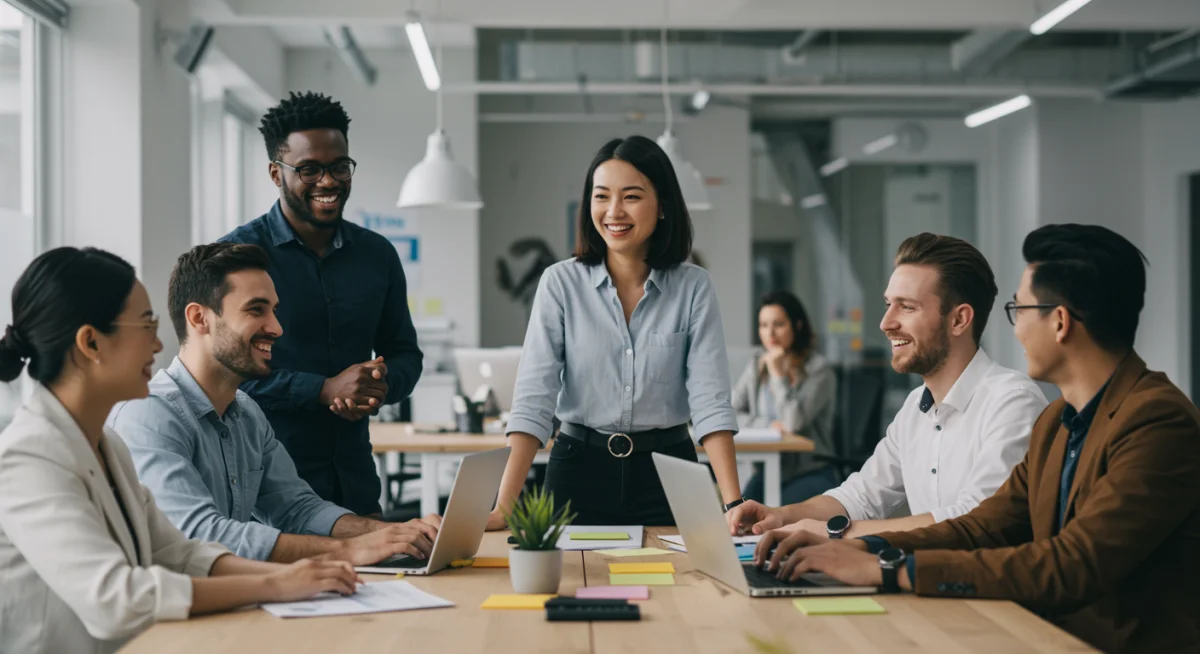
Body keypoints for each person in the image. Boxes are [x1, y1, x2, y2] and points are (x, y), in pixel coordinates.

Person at [755, 224, 1200, 654]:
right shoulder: (1057, 422)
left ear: (1060, 322)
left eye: (1019, 311)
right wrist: (861, 547)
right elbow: (983, 525)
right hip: (1042, 635)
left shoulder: (1157, 421)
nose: (1015, 328)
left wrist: (888, 568)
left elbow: (1072, 564)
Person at [0, 247, 360, 654]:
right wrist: (273, 584)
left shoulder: (107, 444)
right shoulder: (28, 457)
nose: (157, 344)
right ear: (91, 343)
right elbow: (117, 600)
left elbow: (178, 552)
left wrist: (302, 574)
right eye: (146, 325)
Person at [108, 243, 440, 564]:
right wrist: (348, 551)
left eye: (274, 311)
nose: (277, 328)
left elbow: (299, 509)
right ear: (199, 318)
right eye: (256, 310)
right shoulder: (149, 414)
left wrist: (393, 533)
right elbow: (199, 536)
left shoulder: (247, 414)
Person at [486, 135, 743, 529]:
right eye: (601, 196)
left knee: (684, 588)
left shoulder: (693, 287)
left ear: (663, 207)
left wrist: (732, 504)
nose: (613, 211)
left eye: (632, 196)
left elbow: (711, 400)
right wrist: (505, 506)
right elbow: (534, 397)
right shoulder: (560, 283)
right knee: (570, 586)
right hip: (577, 469)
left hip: (670, 473)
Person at [728, 233, 1046, 539]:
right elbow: (859, 497)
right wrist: (783, 516)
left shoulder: (1012, 402)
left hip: (980, 590)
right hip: (925, 582)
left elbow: (973, 520)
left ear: (959, 320)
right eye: (888, 304)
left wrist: (831, 534)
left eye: (906, 307)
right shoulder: (915, 408)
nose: (885, 323)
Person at [219, 91, 422, 515]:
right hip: (266, 495)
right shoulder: (237, 255)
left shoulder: (377, 255)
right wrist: (323, 389)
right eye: (309, 169)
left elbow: (405, 354)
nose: (328, 182)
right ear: (276, 174)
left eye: (338, 167)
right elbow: (224, 371)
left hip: (355, 486)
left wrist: (379, 385)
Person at [733, 291, 838, 504]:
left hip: (811, 472)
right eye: (763, 325)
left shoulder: (820, 371)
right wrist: (769, 424)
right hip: (767, 471)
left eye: (778, 324)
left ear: (797, 325)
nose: (770, 333)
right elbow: (730, 412)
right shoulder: (756, 364)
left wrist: (778, 374)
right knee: (736, 515)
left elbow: (793, 423)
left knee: (773, 518)